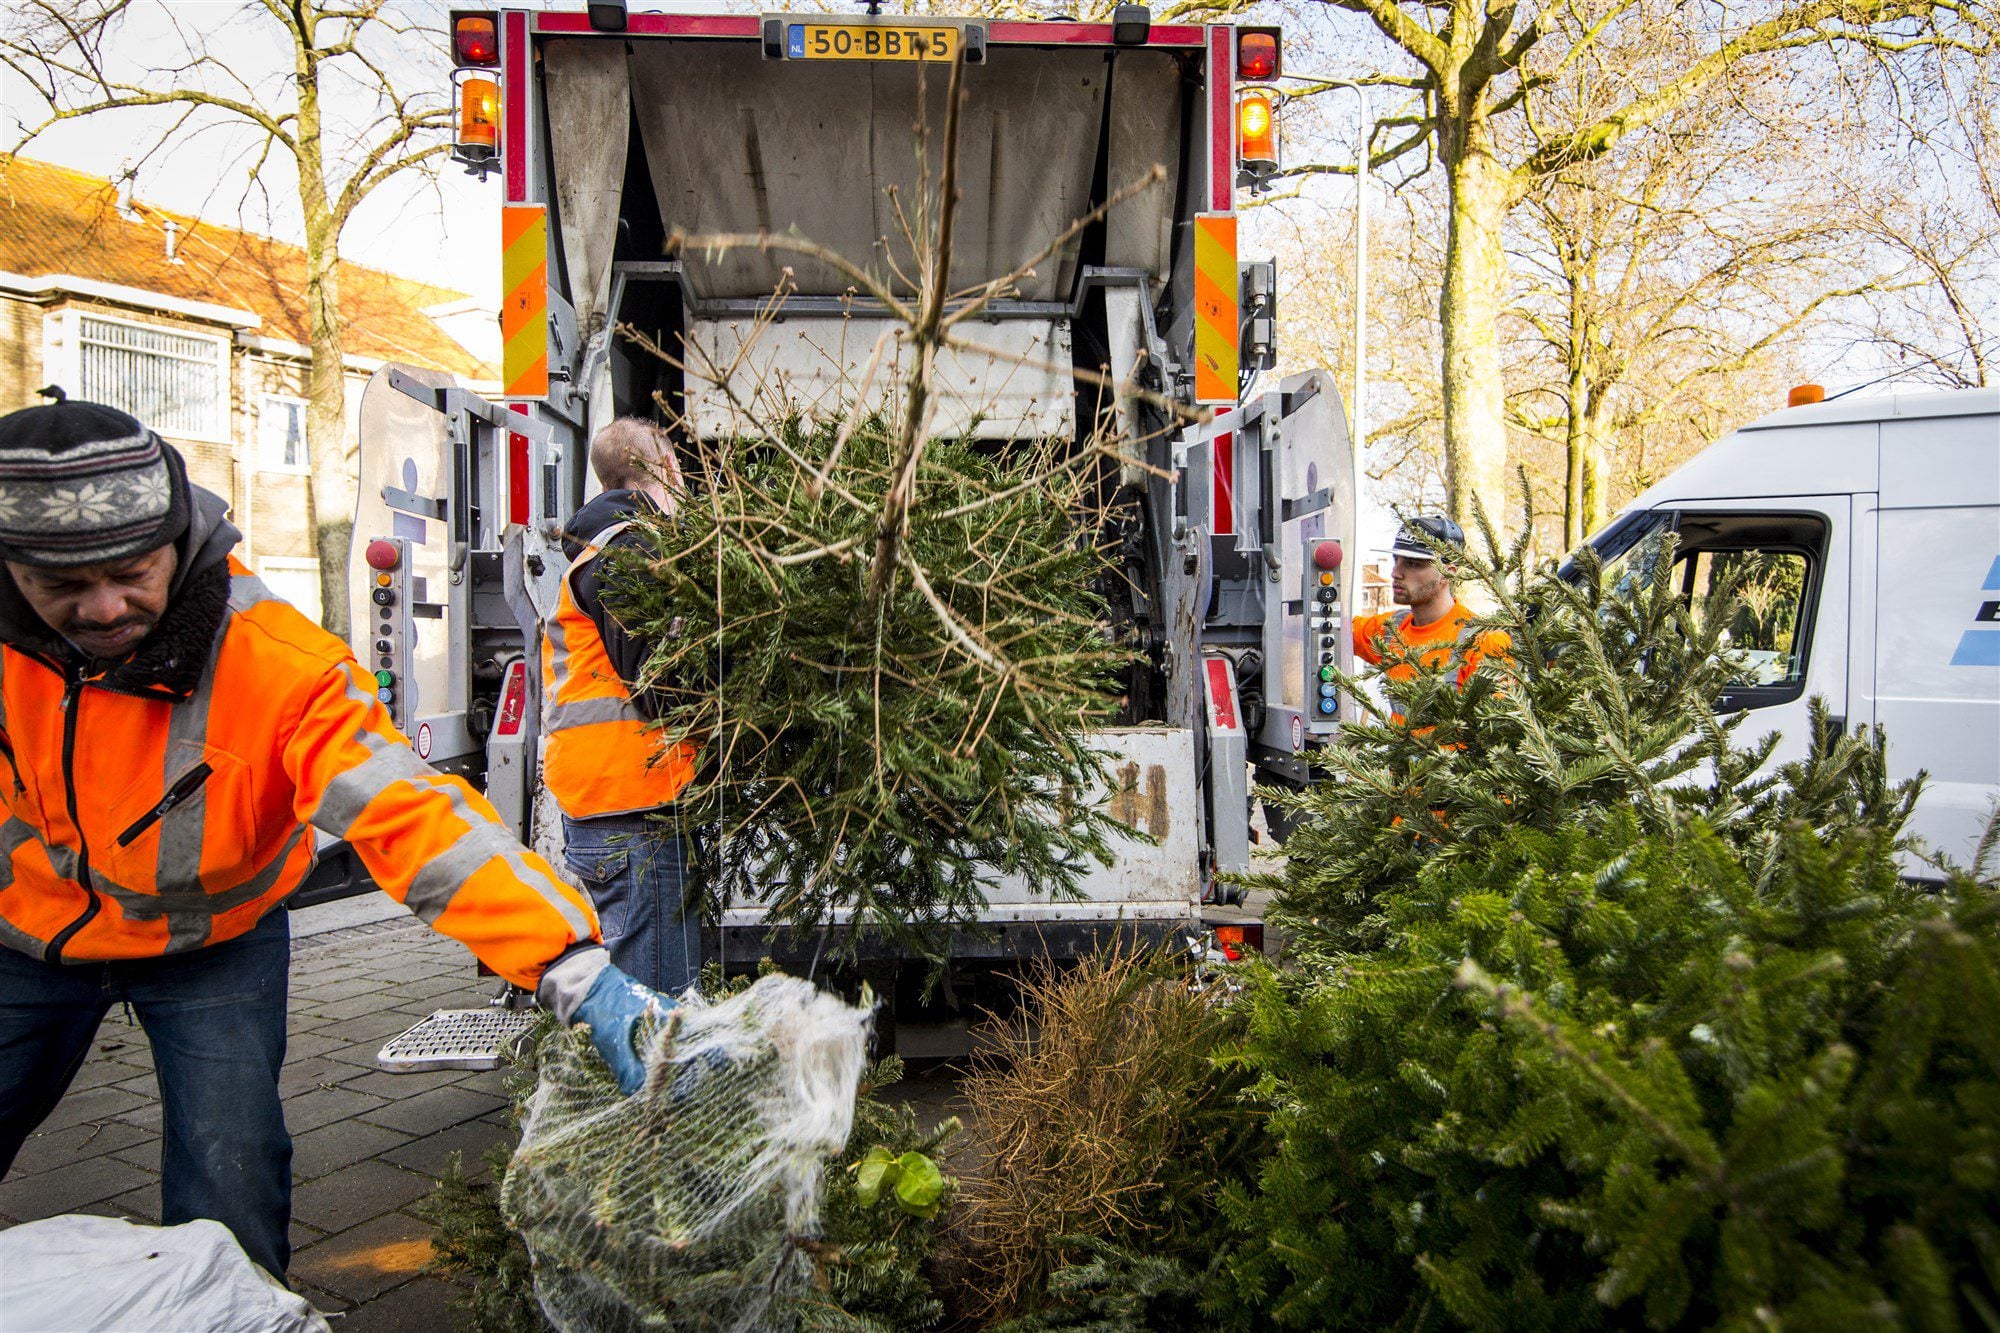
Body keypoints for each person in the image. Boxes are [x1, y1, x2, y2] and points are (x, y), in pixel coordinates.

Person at [0, 394, 669, 1280]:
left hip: (214, 942)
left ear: (174, 540)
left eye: (132, 570)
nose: (104, 606)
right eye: (63, 587)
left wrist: (572, 963)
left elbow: (410, 813)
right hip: (25, 935)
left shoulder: (274, 663)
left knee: (229, 1175)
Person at [543, 417, 701, 995]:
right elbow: (663, 680)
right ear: (666, 470)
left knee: (652, 993)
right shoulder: (627, 549)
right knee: (654, 1005)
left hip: (619, 802)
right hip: (631, 810)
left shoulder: (605, 545)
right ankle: (647, 1090)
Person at [1352, 515, 1509, 703]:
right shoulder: (1390, 629)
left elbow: (1497, 726)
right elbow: (1336, 628)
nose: (1396, 573)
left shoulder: (1483, 642)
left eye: (1413, 564)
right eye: (1397, 560)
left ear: (1447, 573)